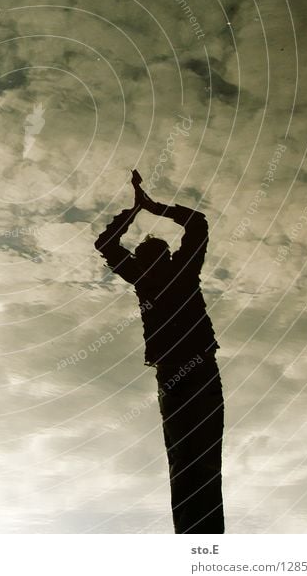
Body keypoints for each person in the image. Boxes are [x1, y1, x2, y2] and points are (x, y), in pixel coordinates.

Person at [94, 170, 224, 534]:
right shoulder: (175, 271)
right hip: (191, 370)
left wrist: (137, 210)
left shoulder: (148, 277)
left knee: (187, 461)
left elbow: (106, 244)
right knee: (196, 460)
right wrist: (151, 207)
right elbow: (197, 223)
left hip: (181, 372)